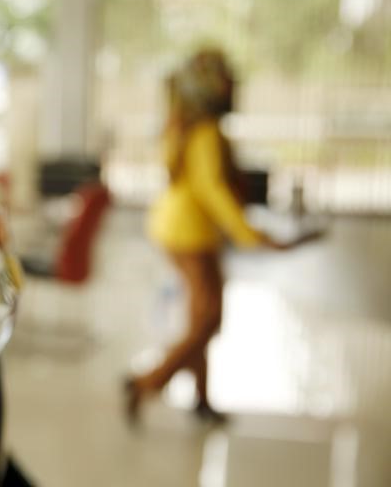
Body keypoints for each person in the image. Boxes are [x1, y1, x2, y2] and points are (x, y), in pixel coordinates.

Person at [126, 49, 312, 423]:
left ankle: (201, 398)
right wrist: (252, 235)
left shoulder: (182, 125)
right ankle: (146, 383)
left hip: (177, 228)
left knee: (201, 318)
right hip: (190, 233)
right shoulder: (207, 131)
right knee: (209, 319)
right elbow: (212, 188)